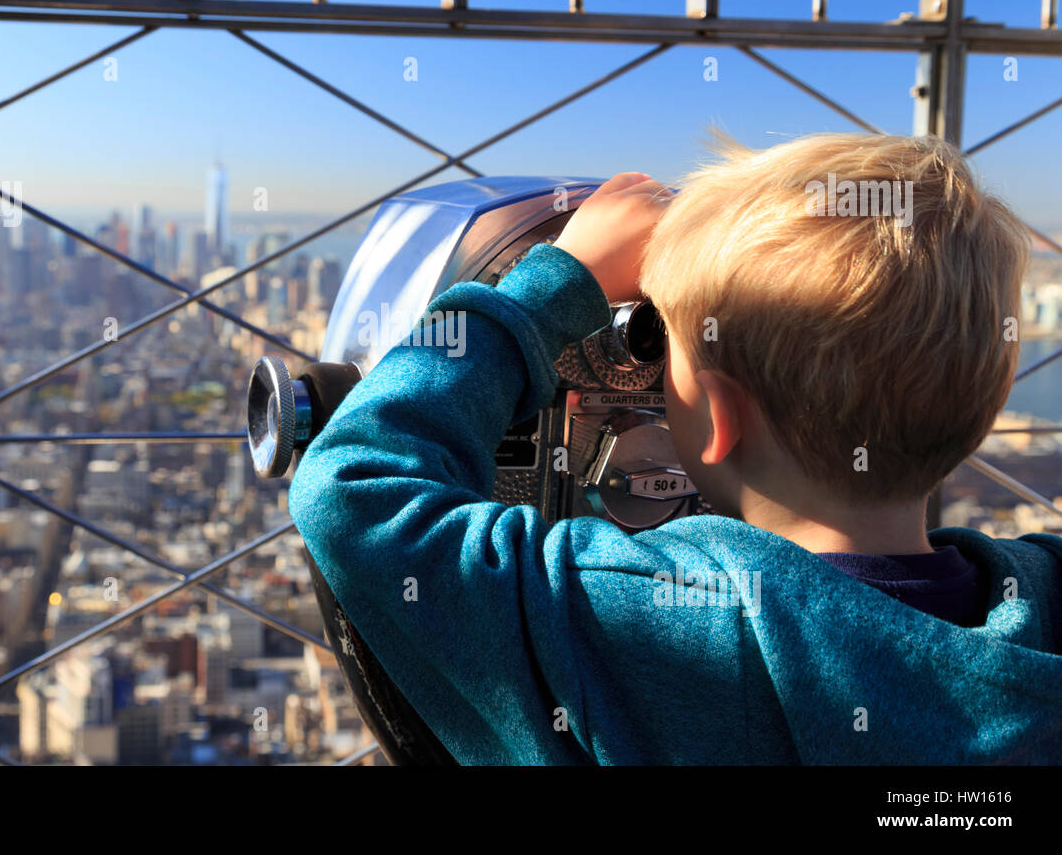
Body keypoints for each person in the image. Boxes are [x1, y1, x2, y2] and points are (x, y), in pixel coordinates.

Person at [288, 132, 1062, 764]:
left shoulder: (632, 621)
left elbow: (350, 491)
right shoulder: (1045, 602)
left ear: (719, 416)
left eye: (671, 356)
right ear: (980, 407)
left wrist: (551, 287)